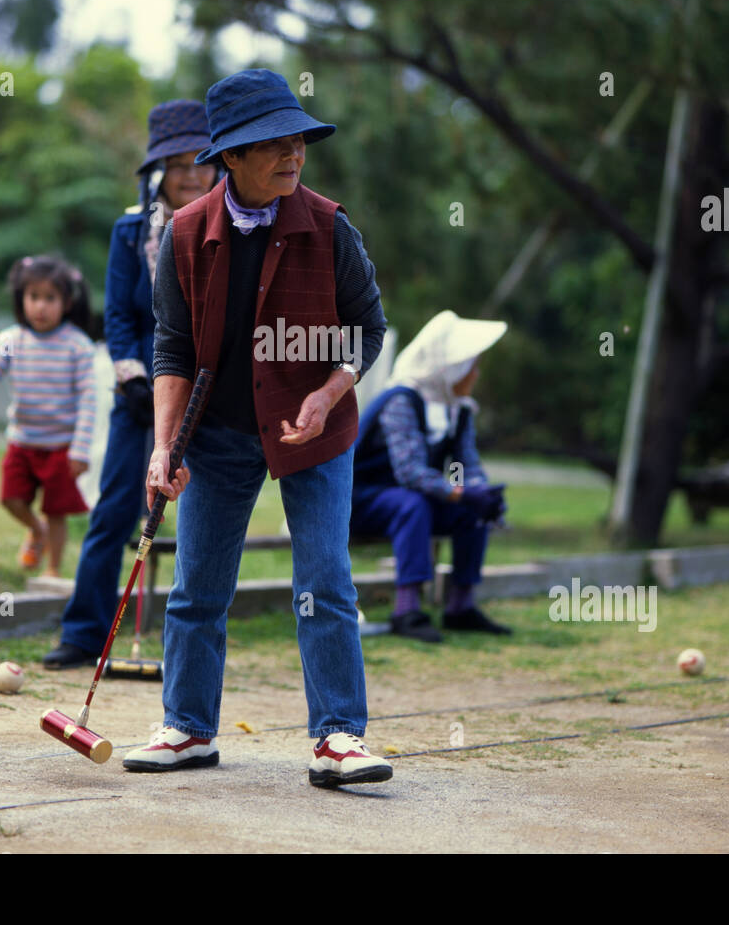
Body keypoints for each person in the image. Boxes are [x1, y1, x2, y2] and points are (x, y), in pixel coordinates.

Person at [121, 68, 392, 789]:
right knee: (197, 586)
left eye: (298, 138)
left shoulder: (330, 226)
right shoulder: (184, 234)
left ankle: (339, 737)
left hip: (315, 432)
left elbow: (369, 328)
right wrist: (163, 446)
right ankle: (187, 728)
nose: (293, 153)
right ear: (230, 157)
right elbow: (172, 348)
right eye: (273, 143)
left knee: (325, 580)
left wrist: (332, 390)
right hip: (219, 433)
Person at [44, 100, 218, 669]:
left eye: (200, 160)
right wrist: (133, 376)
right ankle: (83, 632)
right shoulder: (128, 232)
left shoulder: (232, 226)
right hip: (141, 392)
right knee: (115, 508)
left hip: (213, 395)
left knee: (202, 513)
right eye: (177, 163)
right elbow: (119, 315)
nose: (191, 173)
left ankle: (192, 643)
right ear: (157, 171)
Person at [351, 310, 512, 642]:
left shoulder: (457, 407)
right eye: (471, 365)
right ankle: (406, 610)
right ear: (450, 367)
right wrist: (460, 492)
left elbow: (467, 463)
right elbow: (409, 472)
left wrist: (483, 494)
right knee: (414, 504)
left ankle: (460, 606)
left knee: (471, 511)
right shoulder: (401, 400)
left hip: (407, 500)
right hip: (362, 499)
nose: (476, 374)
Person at [0, 255, 98, 579]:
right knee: (11, 499)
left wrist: (80, 450)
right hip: (22, 442)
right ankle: (36, 529)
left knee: (57, 511)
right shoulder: (11, 341)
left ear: (67, 302)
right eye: (33, 297)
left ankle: (54, 571)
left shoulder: (78, 347)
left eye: (50, 298)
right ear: (21, 299)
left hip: (61, 445)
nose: (40, 307)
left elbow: (89, 400)